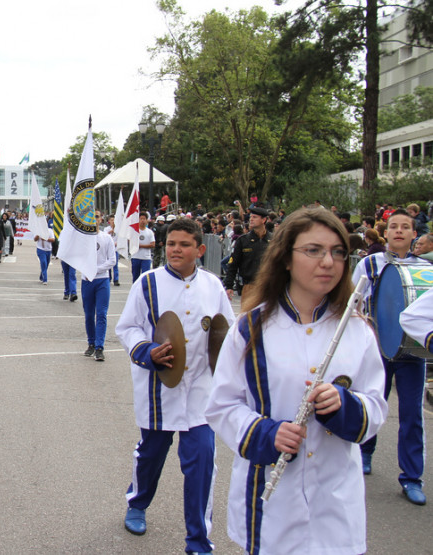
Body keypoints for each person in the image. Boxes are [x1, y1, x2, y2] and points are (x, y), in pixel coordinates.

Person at [206, 206, 387, 553]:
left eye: (338, 252)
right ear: (286, 259)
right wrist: (267, 433)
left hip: (336, 504)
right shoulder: (250, 328)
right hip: (270, 502)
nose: (328, 262)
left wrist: (344, 405)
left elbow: (376, 407)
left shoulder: (357, 330)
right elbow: (221, 405)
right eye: (314, 250)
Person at [116, 218, 234, 553]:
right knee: (151, 455)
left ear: (200, 249)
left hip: (200, 392)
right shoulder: (147, 283)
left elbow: (228, 332)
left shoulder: (213, 286)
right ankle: (138, 502)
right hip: (159, 389)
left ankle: (198, 541)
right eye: (171, 244)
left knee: (202, 462)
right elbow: (127, 328)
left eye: (184, 245)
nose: (175, 250)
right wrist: (147, 351)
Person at [352, 208, 427, 504]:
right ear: (385, 233)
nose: (398, 231)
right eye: (393, 226)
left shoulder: (425, 267)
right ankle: (364, 453)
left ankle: (411, 477)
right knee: (371, 403)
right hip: (376, 348)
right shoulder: (370, 263)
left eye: (405, 227)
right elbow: (352, 301)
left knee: (412, 415)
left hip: (411, 352)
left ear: (414, 234)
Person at [82, 210, 116, 362]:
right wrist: (87, 270)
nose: (94, 219)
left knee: (101, 314)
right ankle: (91, 343)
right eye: (91, 217)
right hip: (87, 280)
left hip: (102, 280)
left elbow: (112, 260)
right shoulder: (83, 238)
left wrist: (96, 270)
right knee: (89, 314)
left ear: (101, 219)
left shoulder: (106, 238)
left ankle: (99, 347)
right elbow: (78, 257)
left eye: (96, 216)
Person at [223, 206, 272, 305]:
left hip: (269, 287)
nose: (251, 219)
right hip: (250, 285)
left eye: (254, 217)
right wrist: (229, 285)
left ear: (264, 220)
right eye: (250, 217)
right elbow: (233, 264)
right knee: (248, 313)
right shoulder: (243, 240)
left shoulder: (274, 240)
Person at [131, 212, 156, 283]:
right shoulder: (134, 231)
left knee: (146, 277)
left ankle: (145, 289)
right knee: (135, 277)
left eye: (144, 219)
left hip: (146, 258)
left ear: (147, 220)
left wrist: (140, 246)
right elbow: (130, 242)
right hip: (135, 257)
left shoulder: (150, 232)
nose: (142, 221)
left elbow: (153, 244)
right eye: (141, 219)